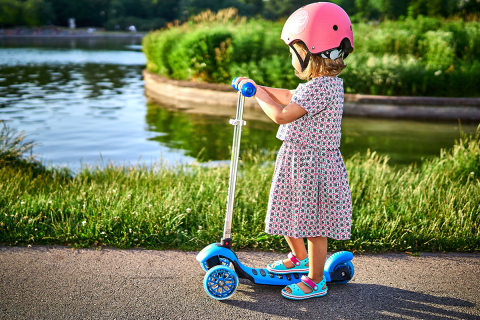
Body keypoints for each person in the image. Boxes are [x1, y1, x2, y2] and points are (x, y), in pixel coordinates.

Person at [234, 2, 354, 300]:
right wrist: (260, 86)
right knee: (287, 210)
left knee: (313, 223)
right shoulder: (324, 84)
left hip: (313, 164)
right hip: (298, 159)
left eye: (292, 52)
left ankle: (315, 279)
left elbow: (282, 114)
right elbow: (290, 95)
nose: (291, 59)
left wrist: (258, 94)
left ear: (308, 52)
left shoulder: (320, 88)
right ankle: (299, 257)